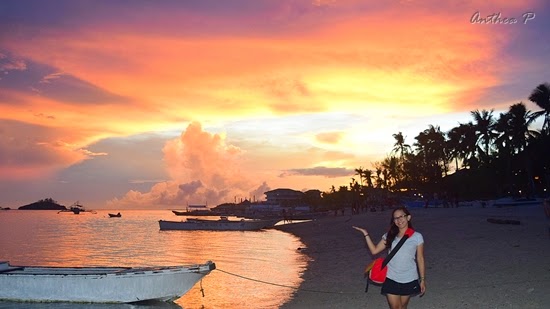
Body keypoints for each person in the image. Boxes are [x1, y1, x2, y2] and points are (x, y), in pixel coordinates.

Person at [353, 206, 425, 309]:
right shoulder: (389, 236)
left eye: (401, 216)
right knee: (395, 307)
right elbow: (374, 251)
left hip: (409, 277)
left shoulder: (417, 237)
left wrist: (422, 279)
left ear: (408, 217)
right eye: (396, 218)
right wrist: (366, 234)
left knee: (403, 306)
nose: (399, 220)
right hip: (391, 277)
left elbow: (420, 259)